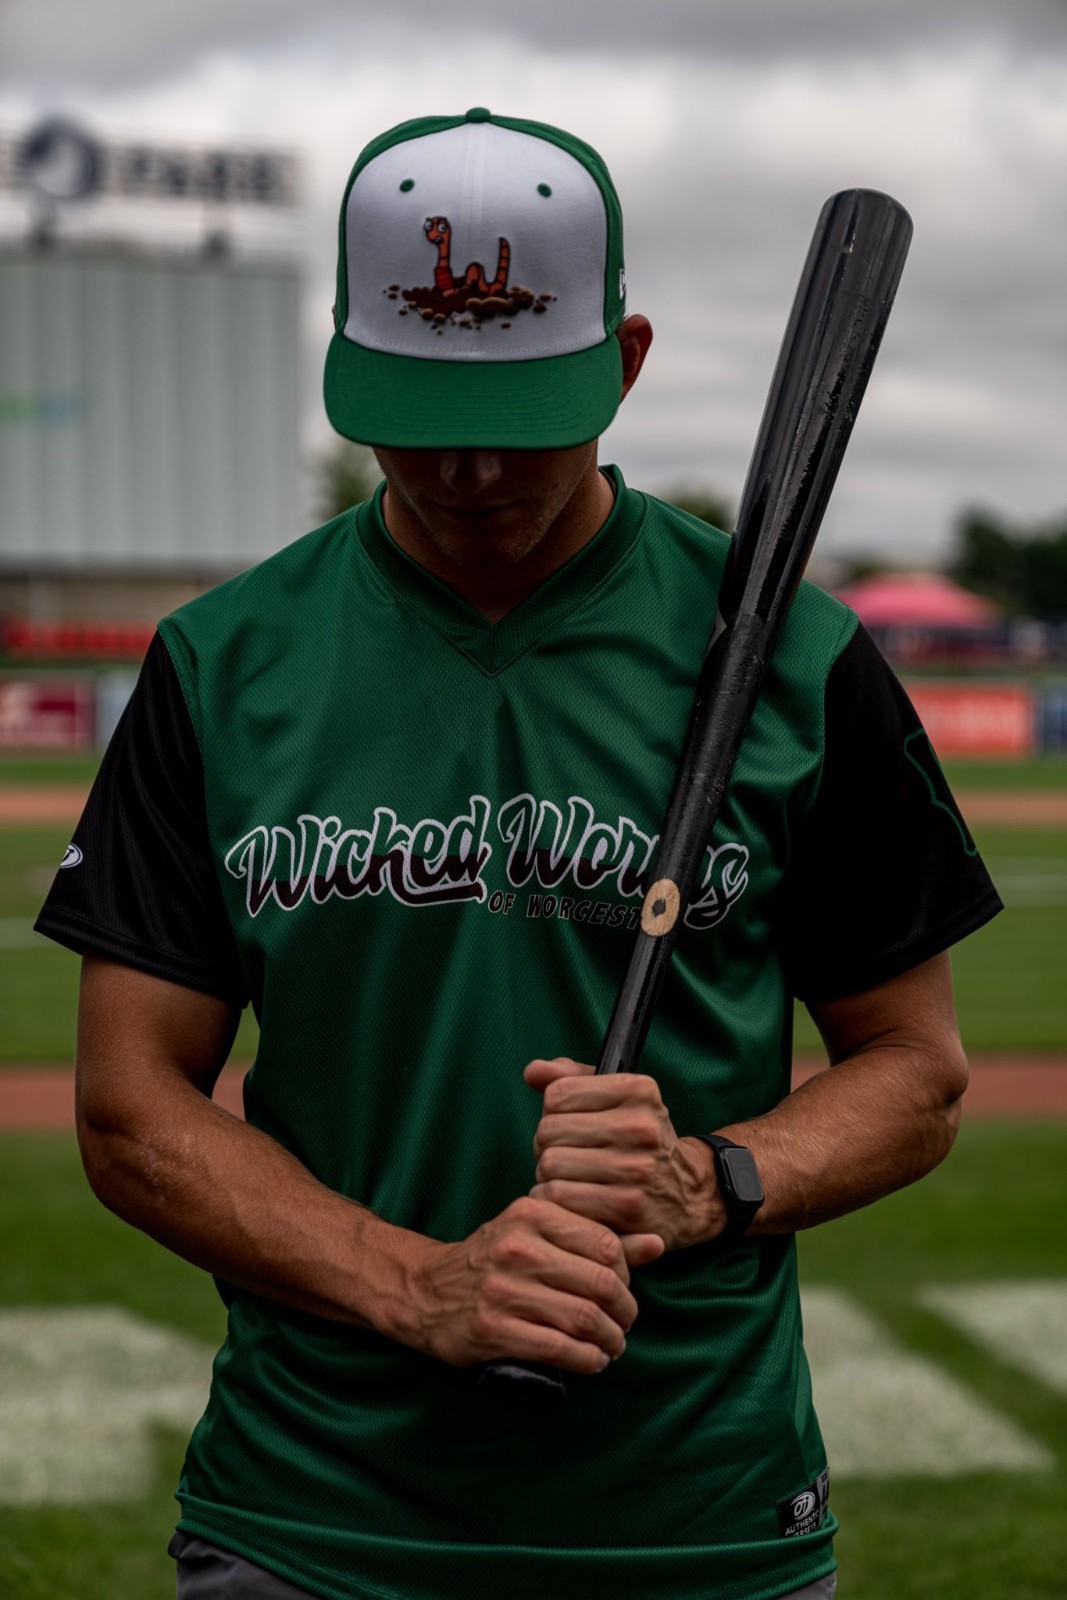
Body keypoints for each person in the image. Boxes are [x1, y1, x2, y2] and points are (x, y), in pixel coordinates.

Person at [37, 108, 1001, 1600]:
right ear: (345, 364)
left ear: (626, 362)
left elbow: (917, 1073)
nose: (471, 465)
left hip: (701, 1525)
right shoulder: (223, 665)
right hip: (314, 1524)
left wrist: (711, 1181)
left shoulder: (800, 664)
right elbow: (129, 1109)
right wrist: (420, 1286)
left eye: (524, 409)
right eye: (420, 410)